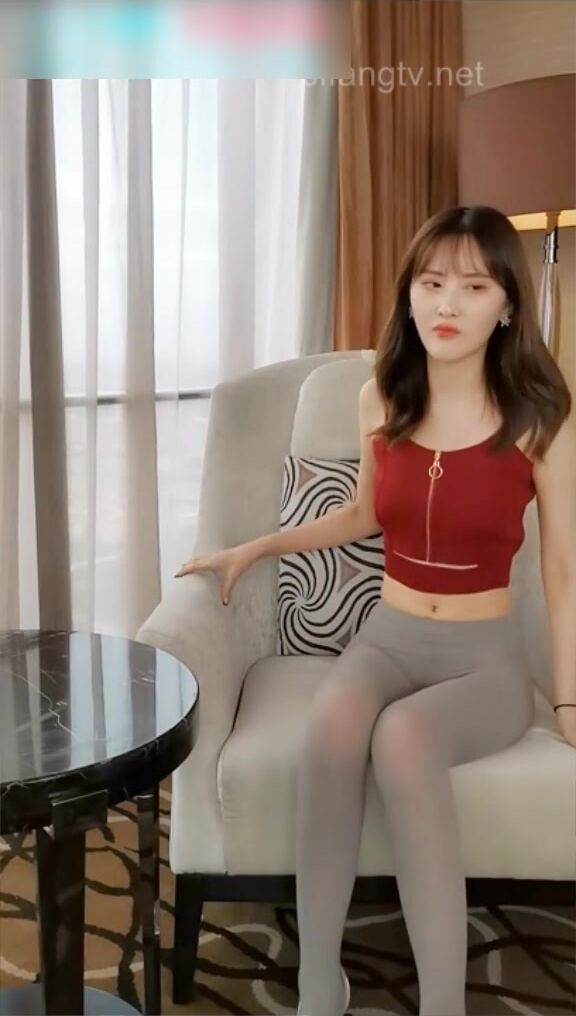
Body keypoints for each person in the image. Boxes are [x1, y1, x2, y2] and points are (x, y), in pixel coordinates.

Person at [175, 205, 576, 1016]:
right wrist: (255, 547)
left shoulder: (539, 419)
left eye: (474, 286)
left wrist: (567, 703)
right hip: (387, 638)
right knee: (331, 729)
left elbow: (562, 571)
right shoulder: (379, 399)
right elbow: (362, 514)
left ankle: (442, 1006)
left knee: (402, 738)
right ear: (409, 294)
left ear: (508, 305)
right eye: (432, 283)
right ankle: (319, 986)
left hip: (483, 661)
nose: (447, 304)